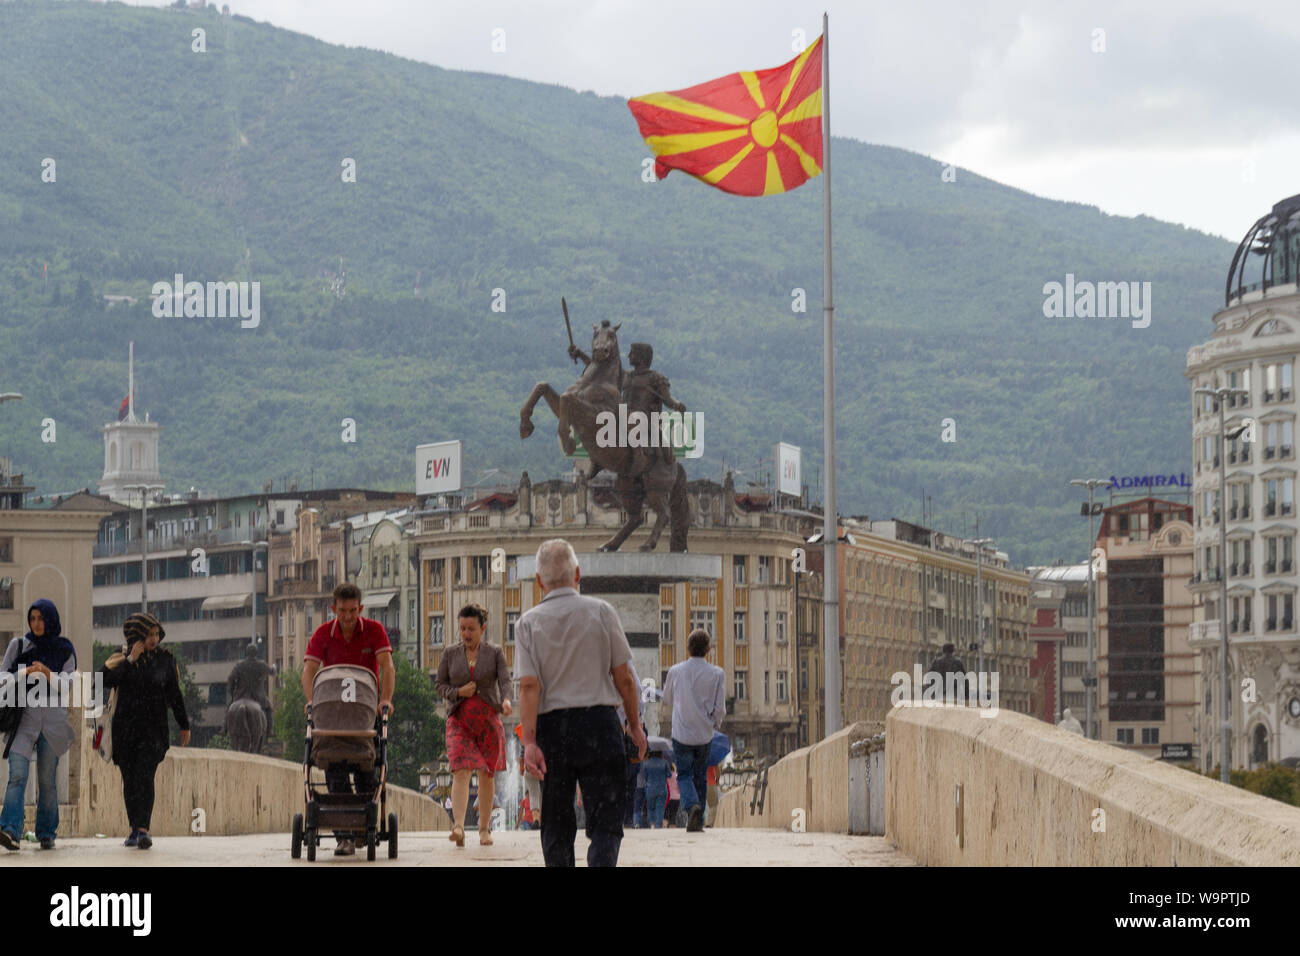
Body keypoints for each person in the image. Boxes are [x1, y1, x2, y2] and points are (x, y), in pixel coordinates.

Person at [516, 538, 646, 867]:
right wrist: (635, 727)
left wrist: (529, 742)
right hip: (600, 726)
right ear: (578, 573)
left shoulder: (527, 624)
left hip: (553, 731)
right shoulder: (602, 611)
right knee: (606, 821)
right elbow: (625, 678)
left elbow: (529, 686)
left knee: (557, 823)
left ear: (539, 580)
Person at [302, 583, 395, 856]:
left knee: (367, 770)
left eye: (353, 611)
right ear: (333, 609)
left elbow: (387, 665)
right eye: (342, 611)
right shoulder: (322, 634)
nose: (347, 617)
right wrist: (313, 702)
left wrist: (385, 700)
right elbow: (309, 671)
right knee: (335, 769)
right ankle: (344, 836)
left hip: (365, 713)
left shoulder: (374, 631)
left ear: (360, 609)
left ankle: (364, 826)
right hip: (332, 716)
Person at [101, 611, 190, 850]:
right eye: (148, 635)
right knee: (130, 781)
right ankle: (134, 828)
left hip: (153, 732)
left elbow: (174, 694)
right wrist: (131, 659)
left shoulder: (165, 660)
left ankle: (143, 830)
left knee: (145, 777)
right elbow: (103, 680)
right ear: (136, 636)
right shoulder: (121, 659)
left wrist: (184, 724)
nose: (154, 639)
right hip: (126, 732)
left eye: (156, 634)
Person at [0, 600, 77, 851]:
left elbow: (67, 685)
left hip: (52, 723)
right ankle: (10, 830)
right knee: (17, 775)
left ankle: (46, 832)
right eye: (33, 618)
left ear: (51, 620)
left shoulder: (65, 649)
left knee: (46, 780)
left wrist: (46, 673)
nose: (37, 624)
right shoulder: (19, 645)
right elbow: (2, 680)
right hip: (24, 720)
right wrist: (23, 674)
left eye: (42, 618)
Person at [435, 602, 512, 847]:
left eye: (471, 629)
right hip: (459, 721)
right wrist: (458, 692)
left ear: (483, 628)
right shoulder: (449, 653)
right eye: (462, 629)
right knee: (461, 770)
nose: (466, 634)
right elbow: (439, 684)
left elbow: (505, 680)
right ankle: (458, 826)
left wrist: (507, 700)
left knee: (486, 776)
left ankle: (484, 829)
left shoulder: (495, 652)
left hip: (488, 721)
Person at [660, 628, 725, 833]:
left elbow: (667, 699)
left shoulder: (676, 671)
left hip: (681, 733)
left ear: (688, 648)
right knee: (699, 776)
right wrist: (714, 723)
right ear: (709, 649)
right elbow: (720, 708)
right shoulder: (717, 673)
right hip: (705, 734)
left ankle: (692, 808)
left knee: (684, 775)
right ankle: (699, 818)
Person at [621, 341, 687, 476]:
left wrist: (677, 405)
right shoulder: (626, 376)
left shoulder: (656, 378)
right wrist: (579, 354)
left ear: (641, 357)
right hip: (623, 419)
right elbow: (602, 371)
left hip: (646, 422)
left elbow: (668, 399)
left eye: (632, 353)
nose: (628, 356)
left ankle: (639, 455)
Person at [227, 642, 273, 736]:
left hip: (240, 696)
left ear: (246, 652)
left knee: (229, 708)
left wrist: (232, 693)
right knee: (269, 709)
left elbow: (231, 679)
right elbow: (272, 672)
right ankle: (269, 731)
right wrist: (274, 667)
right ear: (256, 653)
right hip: (258, 697)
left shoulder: (240, 665)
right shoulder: (261, 664)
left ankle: (224, 728)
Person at [642, 749, 671, 829]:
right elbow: (669, 775)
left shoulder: (646, 763)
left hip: (650, 788)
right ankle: (658, 826)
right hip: (662, 788)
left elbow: (644, 776)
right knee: (660, 808)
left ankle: (652, 824)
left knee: (650, 807)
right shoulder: (665, 762)